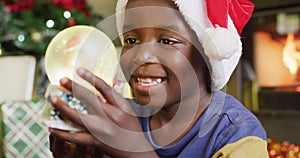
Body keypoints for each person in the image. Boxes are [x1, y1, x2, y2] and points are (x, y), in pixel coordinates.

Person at [48, 0, 269, 157]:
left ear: (209, 55)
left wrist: (137, 150)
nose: (141, 56)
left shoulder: (237, 134)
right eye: (131, 40)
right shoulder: (120, 119)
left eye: (167, 41)